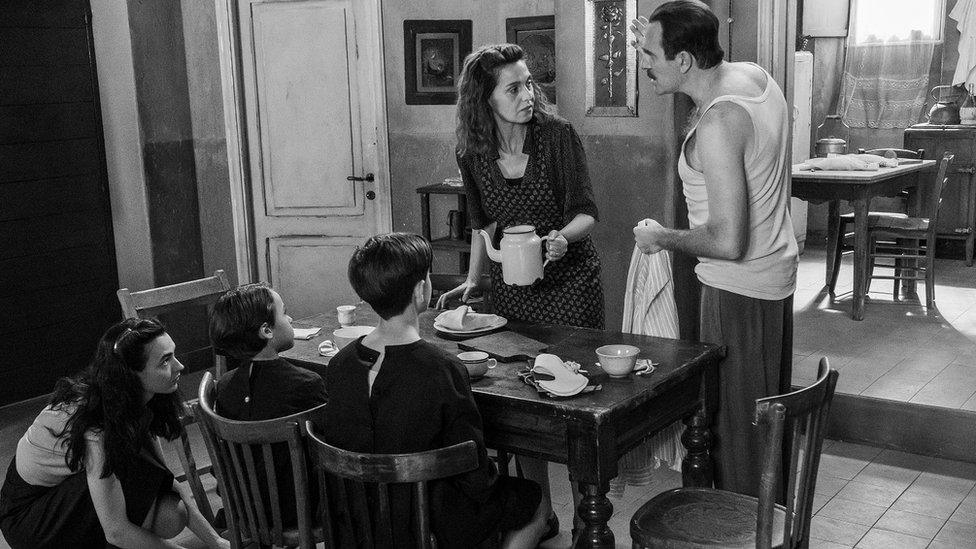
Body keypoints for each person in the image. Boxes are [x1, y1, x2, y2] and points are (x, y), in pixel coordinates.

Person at [629, 0, 798, 497]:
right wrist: (658, 35)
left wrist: (662, 237)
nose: (644, 63)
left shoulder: (719, 123)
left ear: (684, 61)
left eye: (650, 53)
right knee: (763, 427)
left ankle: (744, 531)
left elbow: (728, 239)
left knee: (735, 440)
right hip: (774, 282)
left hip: (736, 290)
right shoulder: (755, 78)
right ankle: (768, 526)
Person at [322, 232, 549, 548]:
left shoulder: (340, 364)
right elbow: (477, 476)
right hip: (424, 523)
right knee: (534, 502)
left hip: (356, 519)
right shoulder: (442, 369)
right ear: (420, 290)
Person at [0, 318, 228, 549]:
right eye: (165, 361)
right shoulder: (97, 430)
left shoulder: (132, 400)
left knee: (172, 512)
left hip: (64, 490)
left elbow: (162, 476)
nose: (180, 367)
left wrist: (217, 542)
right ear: (130, 374)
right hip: (30, 518)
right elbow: (116, 531)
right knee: (130, 482)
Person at [436, 43, 605, 330]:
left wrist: (561, 238)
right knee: (516, 367)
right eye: (513, 89)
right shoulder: (471, 153)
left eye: (528, 84)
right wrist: (473, 280)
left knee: (573, 368)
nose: (527, 96)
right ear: (484, 99)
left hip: (571, 284)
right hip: (512, 288)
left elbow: (585, 213)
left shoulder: (556, 135)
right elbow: (484, 224)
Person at [209, 283, 327, 527]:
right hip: (301, 510)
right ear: (266, 330)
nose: (290, 318)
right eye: (284, 313)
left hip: (246, 507)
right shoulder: (307, 384)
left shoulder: (225, 387)